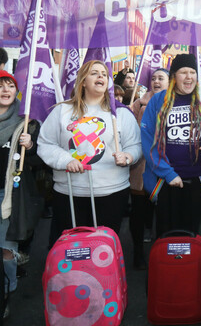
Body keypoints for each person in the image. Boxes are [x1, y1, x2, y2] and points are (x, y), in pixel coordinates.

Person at [38, 60, 142, 238]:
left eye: (104, 74)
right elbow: (46, 143)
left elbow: (135, 145)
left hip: (111, 193)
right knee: (71, 247)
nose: (100, 76)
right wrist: (65, 160)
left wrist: (128, 156)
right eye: (94, 73)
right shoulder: (62, 111)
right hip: (69, 193)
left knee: (103, 247)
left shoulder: (121, 113)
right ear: (83, 81)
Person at [141, 54, 201, 238]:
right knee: (167, 236)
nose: (189, 77)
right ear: (174, 76)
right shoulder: (158, 100)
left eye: (193, 72)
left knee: (194, 236)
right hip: (166, 180)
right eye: (184, 72)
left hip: (199, 179)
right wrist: (168, 173)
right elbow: (148, 139)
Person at [0, 71, 42, 318]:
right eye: (0, 86)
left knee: (6, 251)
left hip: (9, 197)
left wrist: (31, 145)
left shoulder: (26, 123)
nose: (5, 90)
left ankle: (7, 293)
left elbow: (39, 163)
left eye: (10, 86)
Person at [129, 68, 169, 269]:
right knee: (138, 210)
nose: (156, 81)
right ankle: (138, 252)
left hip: (164, 165)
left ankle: (161, 253)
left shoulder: (175, 103)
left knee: (163, 212)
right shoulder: (139, 103)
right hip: (141, 165)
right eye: (153, 78)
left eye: (161, 78)